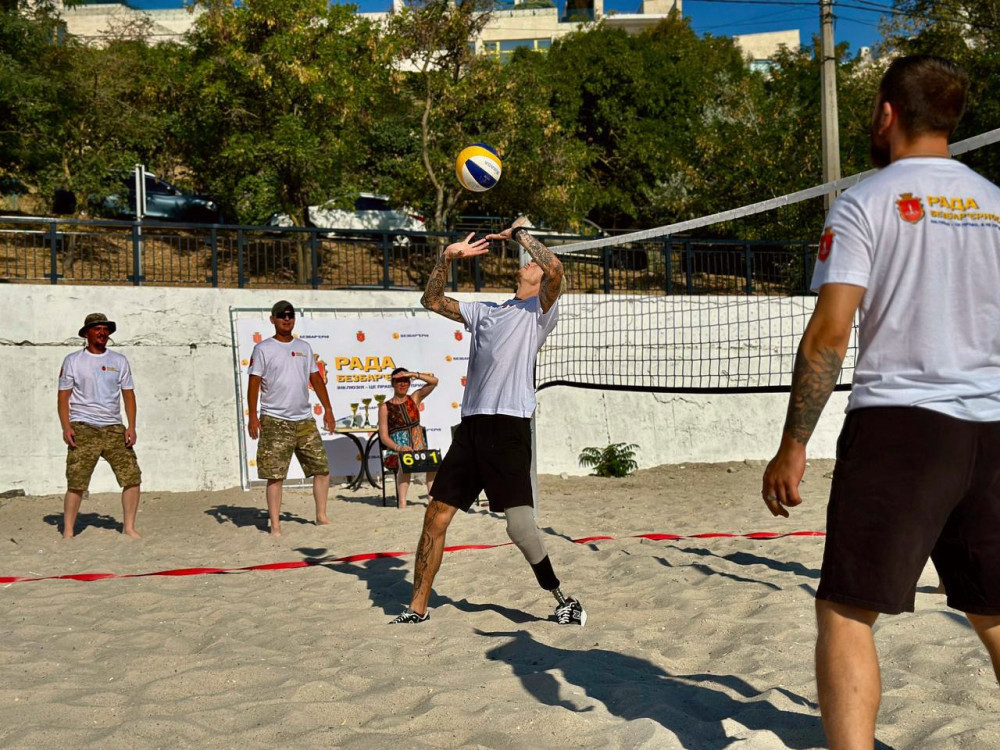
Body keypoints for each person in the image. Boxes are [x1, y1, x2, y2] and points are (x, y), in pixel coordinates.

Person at [761, 55, 1000, 748]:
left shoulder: (866, 202)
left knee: (845, 612)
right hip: (992, 430)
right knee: (993, 612)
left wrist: (793, 446)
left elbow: (829, 335)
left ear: (886, 114)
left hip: (903, 430)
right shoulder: (994, 204)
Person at [390, 219, 587, 626]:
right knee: (435, 516)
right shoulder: (485, 311)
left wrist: (519, 234)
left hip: (509, 427)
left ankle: (562, 599)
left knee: (519, 526)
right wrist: (446, 258)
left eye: (532, 263)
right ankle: (416, 608)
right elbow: (431, 300)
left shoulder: (539, 311)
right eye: (527, 260)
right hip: (472, 428)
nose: (528, 263)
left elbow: (554, 268)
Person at [247, 300, 336, 537]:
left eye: (290, 315)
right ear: (273, 319)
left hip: (304, 419)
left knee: (321, 468)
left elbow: (316, 378)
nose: (286, 319)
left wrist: (328, 409)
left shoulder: (304, 347)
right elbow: (254, 383)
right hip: (274, 419)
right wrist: (253, 416)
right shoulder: (263, 348)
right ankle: (275, 525)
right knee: (275, 475)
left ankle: (321, 516)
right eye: (281, 315)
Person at [58, 312, 142, 538]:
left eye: (106, 329)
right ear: (86, 333)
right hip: (83, 427)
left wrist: (131, 427)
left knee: (132, 478)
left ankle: (129, 527)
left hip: (114, 428)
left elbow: (129, 395)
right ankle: (68, 530)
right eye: (97, 329)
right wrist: (66, 427)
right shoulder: (73, 361)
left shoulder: (119, 361)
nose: (102, 332)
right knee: (77, 481)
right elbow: (63, 397)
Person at [378, 367, 439, 509]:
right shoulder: (385, 407)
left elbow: (434, 382)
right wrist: (398, 447)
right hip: (396, 450)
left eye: (406, 381)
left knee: (433, 461)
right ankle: (402, 502)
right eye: (399, 381)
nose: (402, 384)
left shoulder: (414, 398)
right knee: (404, 461)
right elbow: (384, 436)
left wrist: (413, 374)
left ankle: (432, 499)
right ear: (392, 383)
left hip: (418, 447)